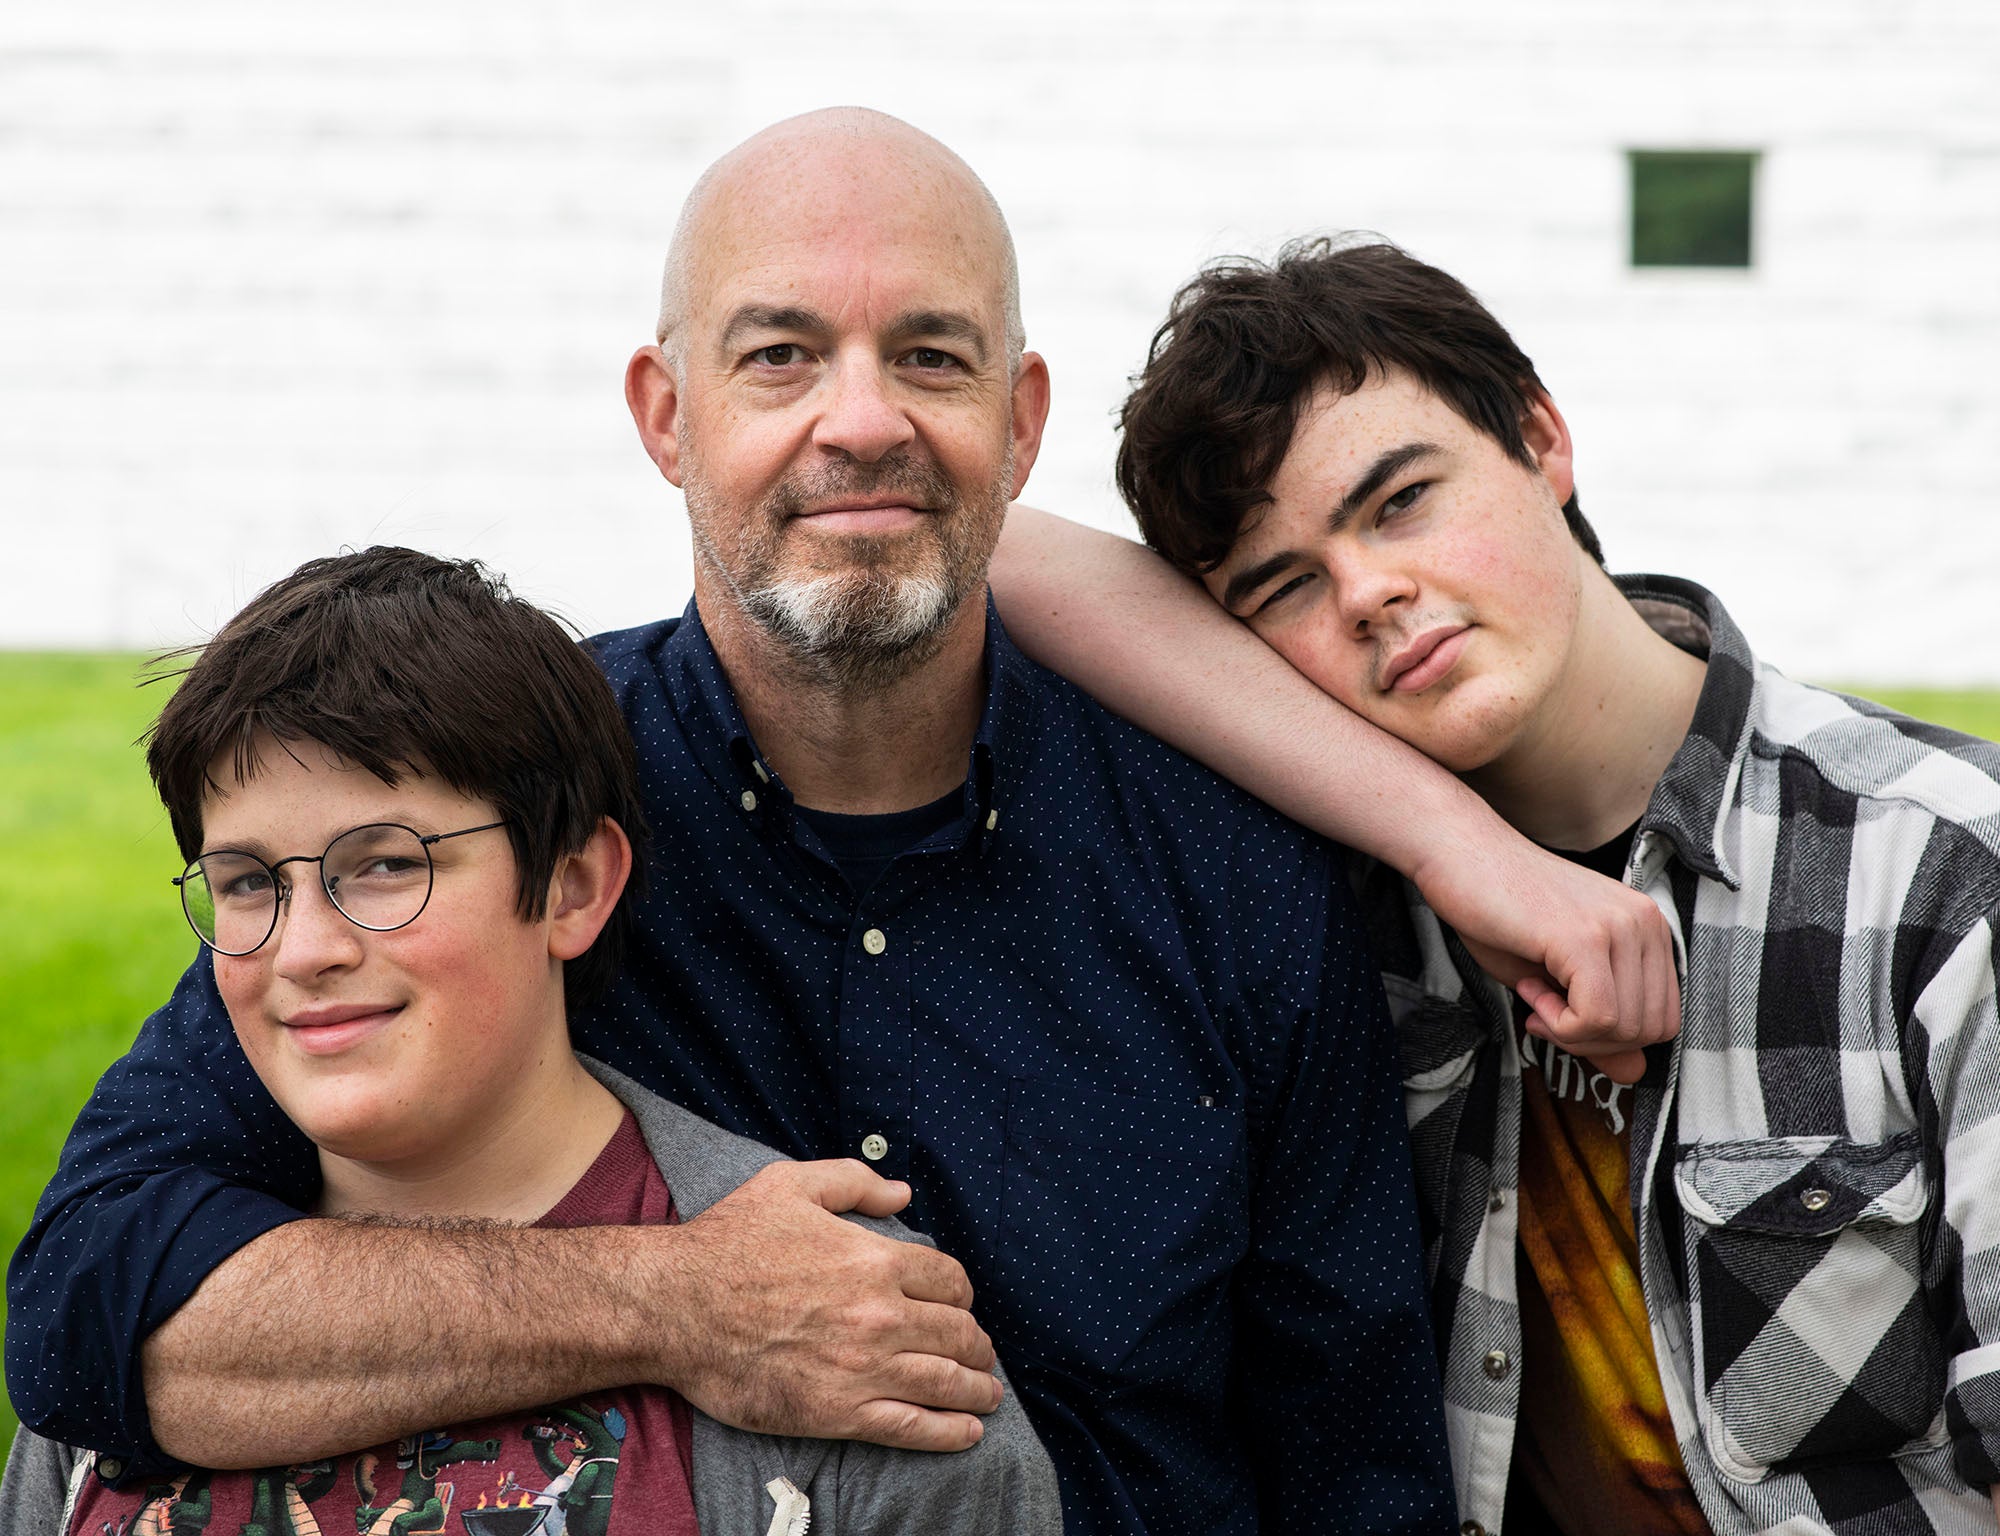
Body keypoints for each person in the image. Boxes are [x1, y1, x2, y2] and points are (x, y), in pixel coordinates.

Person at [8, 111, 1668, 1535]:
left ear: (1020, 426)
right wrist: (674, 1298)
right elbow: (93, 1300)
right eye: (780, 355)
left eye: (928, 357)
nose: (858, 419)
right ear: (668, 415)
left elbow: (1348, 1470)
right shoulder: (504, 823)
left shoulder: (1235, 863)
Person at [989, 236, 2000, 1535]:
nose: (1370, 591)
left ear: (1543, 441)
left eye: (1400, 502)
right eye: (1283, 587)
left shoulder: (1954, 864)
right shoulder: (1345, 910)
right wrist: (1457, 844)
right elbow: (988, 545)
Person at [0, 547, 1059, 1534]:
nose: (303, 950)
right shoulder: (117, 1331)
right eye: (246, 884)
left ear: (571, 886)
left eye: (384, 865)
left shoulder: (847, 1333)